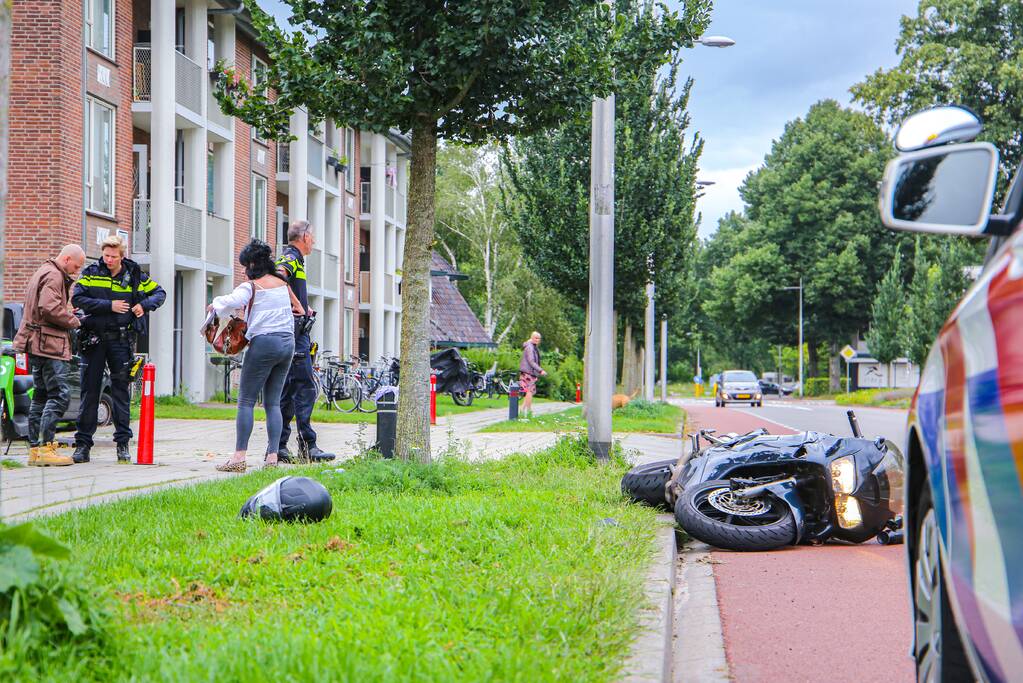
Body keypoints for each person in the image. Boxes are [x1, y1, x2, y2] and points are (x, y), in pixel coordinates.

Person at [71, 236, 166, 463]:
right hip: (93, 340)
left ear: (122, 256)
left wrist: (143, 305)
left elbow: (160, 293)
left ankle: (122, 444)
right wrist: (108, 306)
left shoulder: (133, 274)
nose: (109, 260)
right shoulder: (92, 272)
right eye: (106, 255)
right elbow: (77, 298)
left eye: (114, 256)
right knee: (89, 391)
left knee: (121, 393)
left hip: (121, 341)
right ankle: (83, 445)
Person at [211, 240, 298, 472]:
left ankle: (238, 458)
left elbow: (231, 301)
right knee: (273, 402)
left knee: (246, 401)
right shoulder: (281, 282)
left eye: (243, 266)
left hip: (264, 343)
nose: (242, 270)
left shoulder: (251, 286)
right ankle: (272, 458)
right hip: (288, 343)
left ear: (251, 264)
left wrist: (214, 305)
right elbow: (298, 308)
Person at [13, 245, 86, 466]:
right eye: (76, 266)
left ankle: (36, 449)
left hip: (37, 343)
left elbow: (44, 307)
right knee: (59, 395)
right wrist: (74, 320)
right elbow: (49, 309)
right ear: (66, 258)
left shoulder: (43, 271)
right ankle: (46, 446)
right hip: (49, 345)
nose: (76, 271)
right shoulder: (54, 275)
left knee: (41, 396)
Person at [275, 220, 335, 462]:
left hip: (295, 334)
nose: (315, 242)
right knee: (306, 388)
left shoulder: (296, 259)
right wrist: (297, 304)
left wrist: (303, 305)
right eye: (313, 237)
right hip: (296, 336)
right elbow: (278, 277)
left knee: (289, 391)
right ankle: (308, 446)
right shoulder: (290, 257)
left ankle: (279, 447)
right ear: (305, 237)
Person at [518, 331, 546, 416]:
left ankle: (523, 409)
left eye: (539, 339)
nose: (538, 340)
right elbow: (531, 361)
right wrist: (540, 370)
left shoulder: (532, 346)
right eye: (536, 338)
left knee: (529, 392)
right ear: (532, 338)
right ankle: (528, 411)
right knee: (529, 391)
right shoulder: (530, 347)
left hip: (528, 372)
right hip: (528, 372)